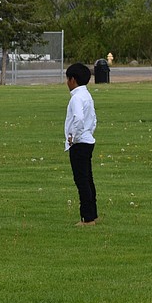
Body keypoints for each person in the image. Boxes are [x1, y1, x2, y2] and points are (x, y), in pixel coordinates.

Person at [64, 62, 99, 226]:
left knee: (81, 180)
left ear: (73, 80)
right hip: (88, 140)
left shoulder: (76, 98)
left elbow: (78, 118)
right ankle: (93, 213)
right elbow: (93, 118)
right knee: (88, 179)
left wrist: (73, 137)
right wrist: (89, 132)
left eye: (68, 79)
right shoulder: (87, 95)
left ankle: (88, 218)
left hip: (79, 143)